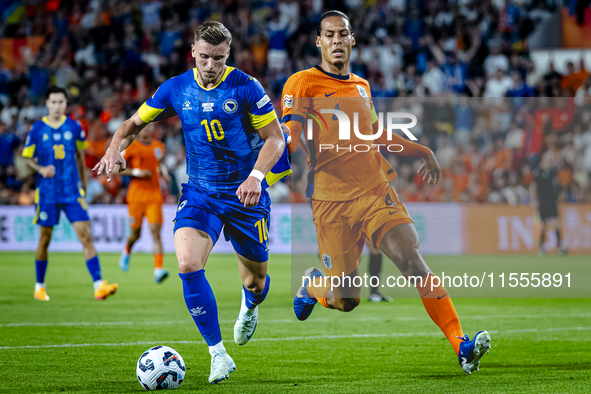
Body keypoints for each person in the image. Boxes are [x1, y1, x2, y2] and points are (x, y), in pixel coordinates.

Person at [283, 11, 491, 375]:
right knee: (347, 300)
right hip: (331, 202)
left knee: (411, 259)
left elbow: (376, 135)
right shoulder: (302, 83)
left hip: (374, 190)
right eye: (328, 35)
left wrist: (423, 151)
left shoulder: (361, 87)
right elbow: (293, 133)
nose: (336, 40)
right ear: (318, 42)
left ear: (353, 41)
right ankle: (313, 286)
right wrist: (276, 156)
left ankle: (461, 344)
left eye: (342, 34)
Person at [93, 21, 291, 384]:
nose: (210, 65)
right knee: (186, 263)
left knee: (256, 284)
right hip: (200, 193)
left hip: (245, 194)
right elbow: (129, 127)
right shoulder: (176, 88)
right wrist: (113, 151)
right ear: (193, 52)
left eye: (218, 58)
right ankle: (218, 354)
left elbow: (276, 140)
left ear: (228, 54)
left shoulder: (247, 87)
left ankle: (249, 306)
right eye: (204, 57)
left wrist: (256, 177)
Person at [22, 86, 118, 301]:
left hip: (72, 191)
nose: (57, 106)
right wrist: (40, 169)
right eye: (53, 102)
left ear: (66, 104)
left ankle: (98, 284)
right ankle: (39, 286)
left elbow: (81, 159)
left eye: (61, 102)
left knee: (86, 236)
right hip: (47, 192)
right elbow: (27, 157)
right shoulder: (37, 129)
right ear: (47, 104)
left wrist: (82, 187)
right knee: (44, 240)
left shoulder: (75, 127)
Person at [115, 124, 170, 283]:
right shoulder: (131, 147)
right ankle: (126, 250)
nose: (146, 129)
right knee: (136, 234)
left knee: (155, 232)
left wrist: (164, 174)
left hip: (154, 195)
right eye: (143, 126)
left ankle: (158, 270)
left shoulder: (159, 146)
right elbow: (113, 169)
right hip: (136, 197)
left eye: (149, 125)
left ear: (153, 128)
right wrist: (135, 172)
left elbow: (160, 164)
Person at [531, 152, 566, 255]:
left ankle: (560, 248)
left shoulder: (553, 172)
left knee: (556, 224)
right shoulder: (538, 172)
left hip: (552, 201)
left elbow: (559, 186)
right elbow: (534, 187)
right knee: (542, 226)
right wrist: (534, 201)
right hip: (542, 202)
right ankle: (541, 248)